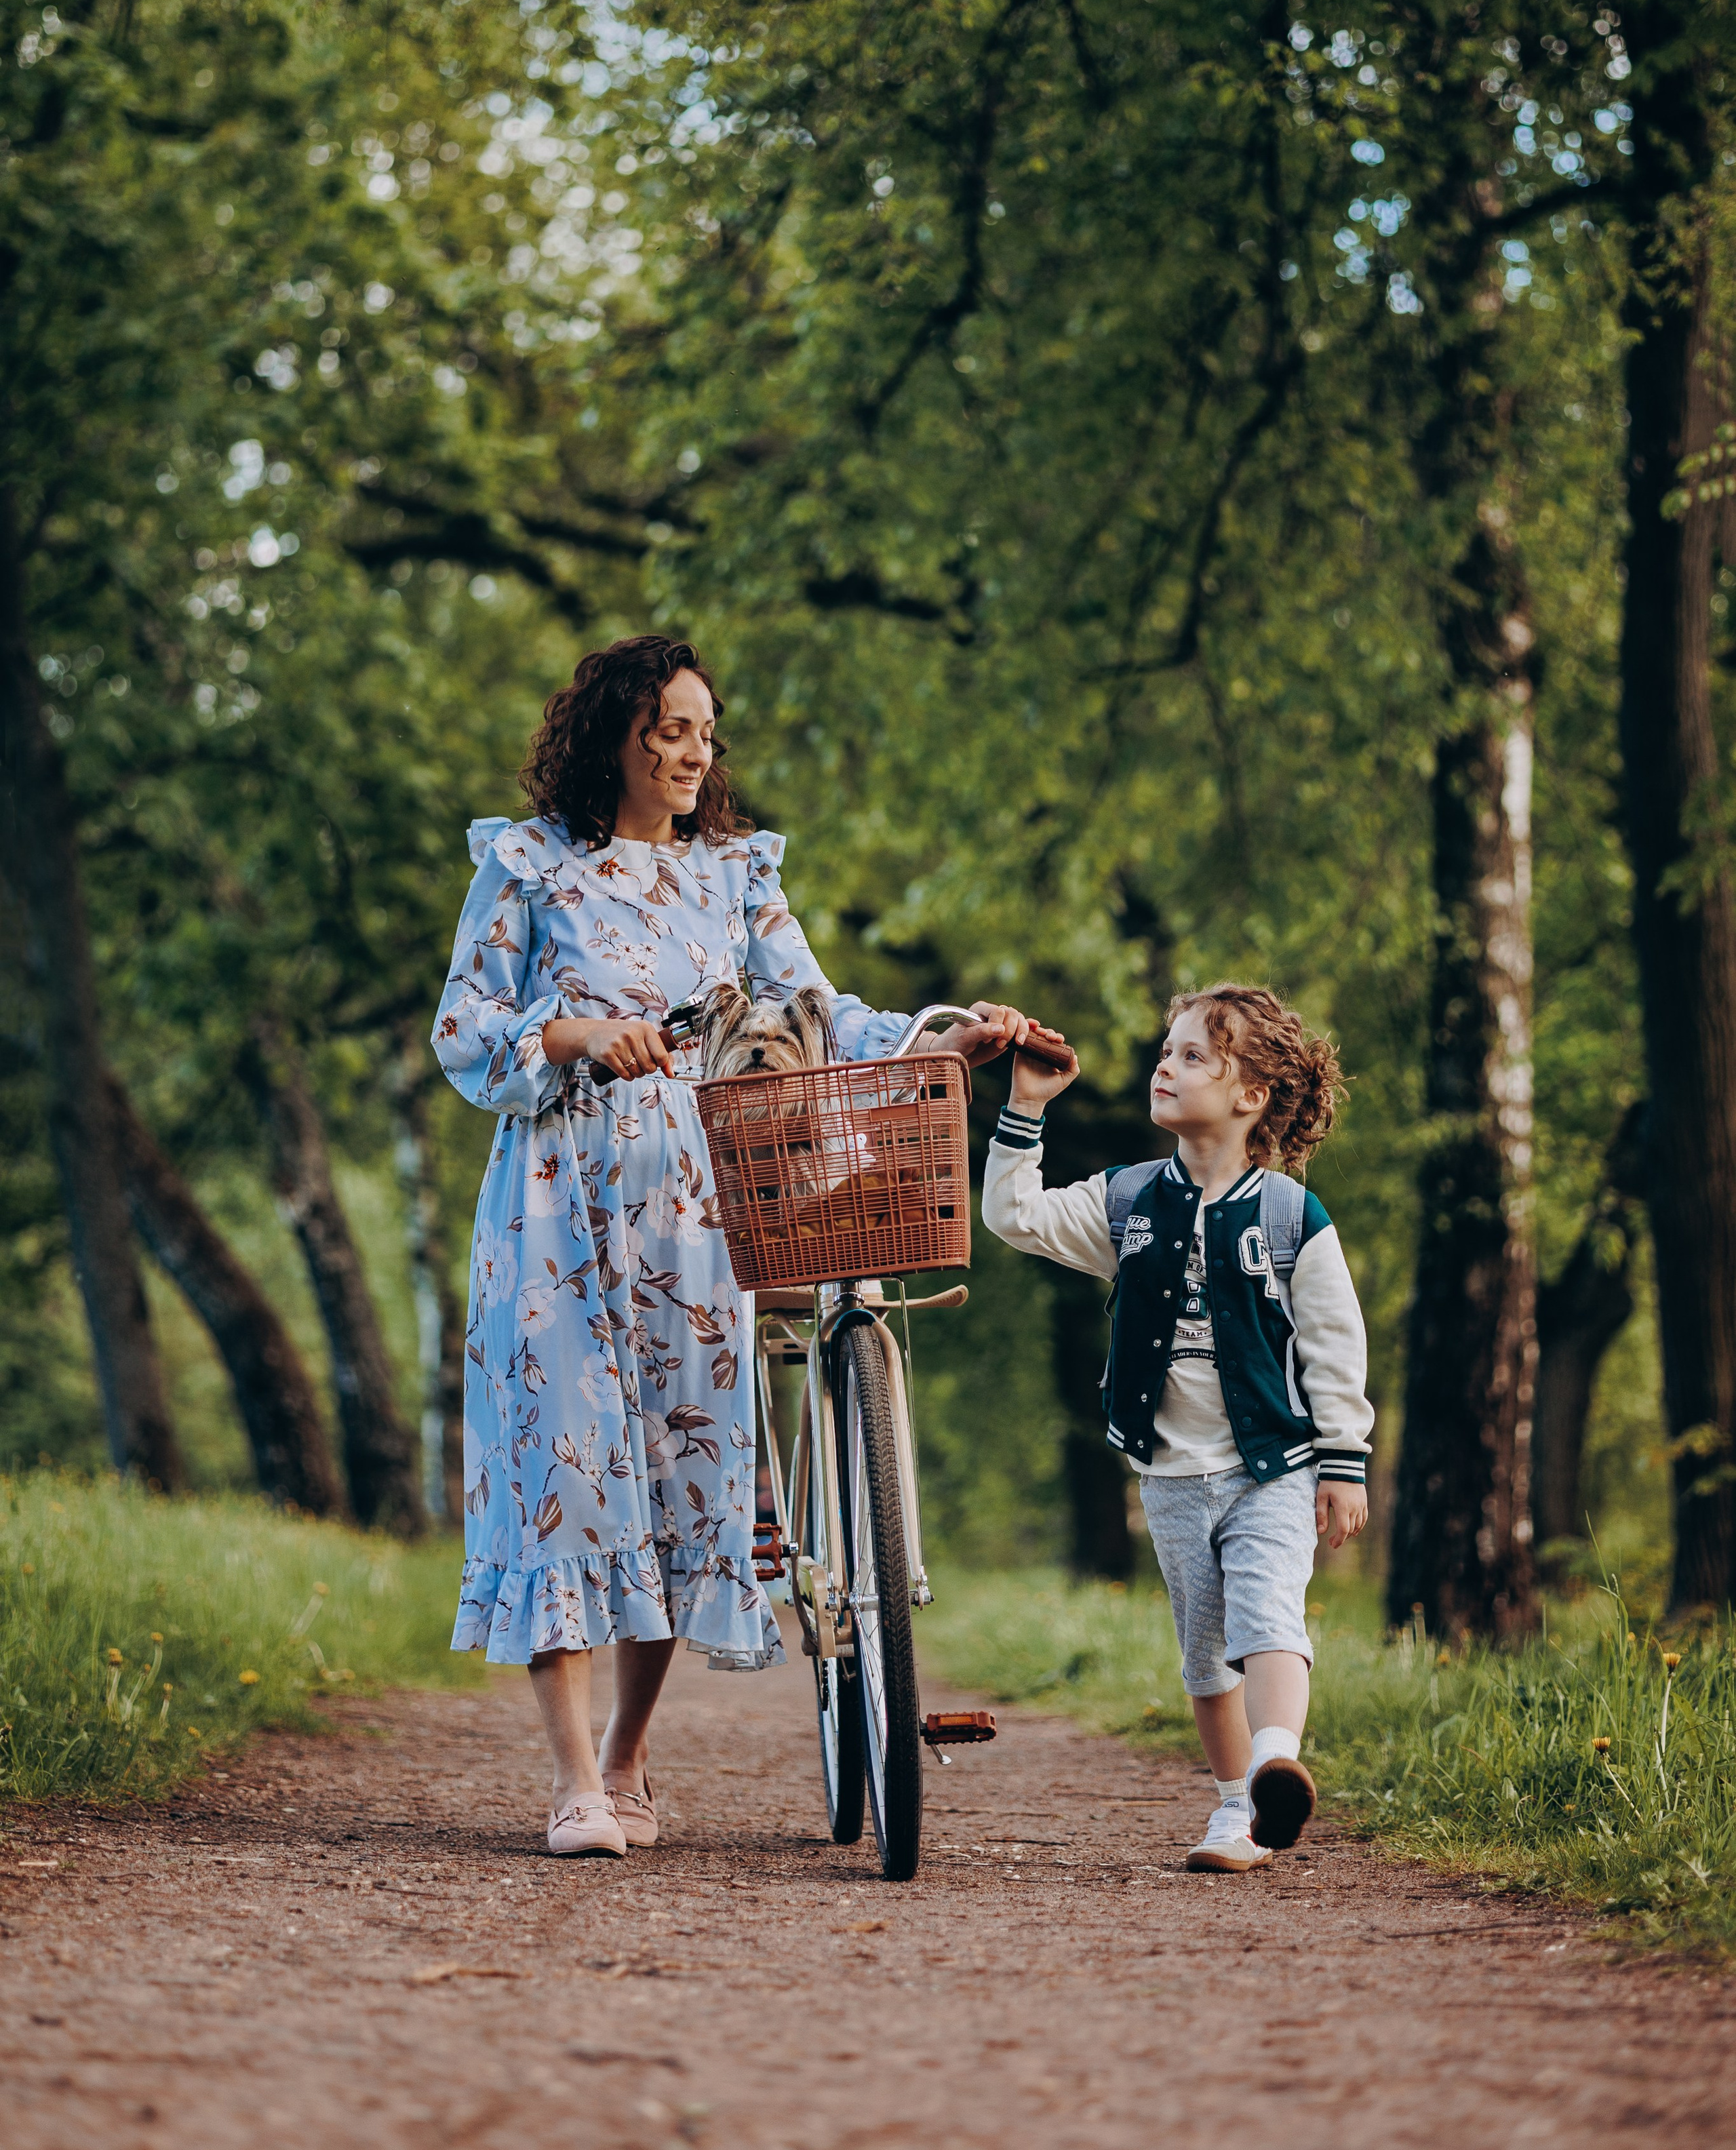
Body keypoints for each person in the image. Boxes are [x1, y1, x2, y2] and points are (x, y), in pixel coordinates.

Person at [432, 633, 1026, 1856]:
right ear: (616, 734)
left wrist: (940, 1038)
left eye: (706, 731)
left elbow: (819, 1010)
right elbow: (464, 1025)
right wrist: (578, 1033)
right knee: (566, 1468)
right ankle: (571, 1785)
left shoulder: (734, 874)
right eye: (672, 729)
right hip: (556, 1206)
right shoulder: (528, 863)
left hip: (703, 1211)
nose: (696, 752)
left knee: (674, 1472)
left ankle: (629, 1758)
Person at [982, 983, 1373, 1873]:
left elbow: (1334, 1346)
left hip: (1271, 1464)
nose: (1167, 1062)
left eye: (1194, 1053)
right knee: (1205, 1657)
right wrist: (1026, 1107)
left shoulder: (1290, 1218)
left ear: (1250, 1097)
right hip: (1168, 1471)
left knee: (1268, 1616)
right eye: (1167, 1047)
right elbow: (1014, 1216)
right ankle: (1240, 1808)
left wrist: (1343, 1462)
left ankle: (1277, 1759)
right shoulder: (1127, 1205)